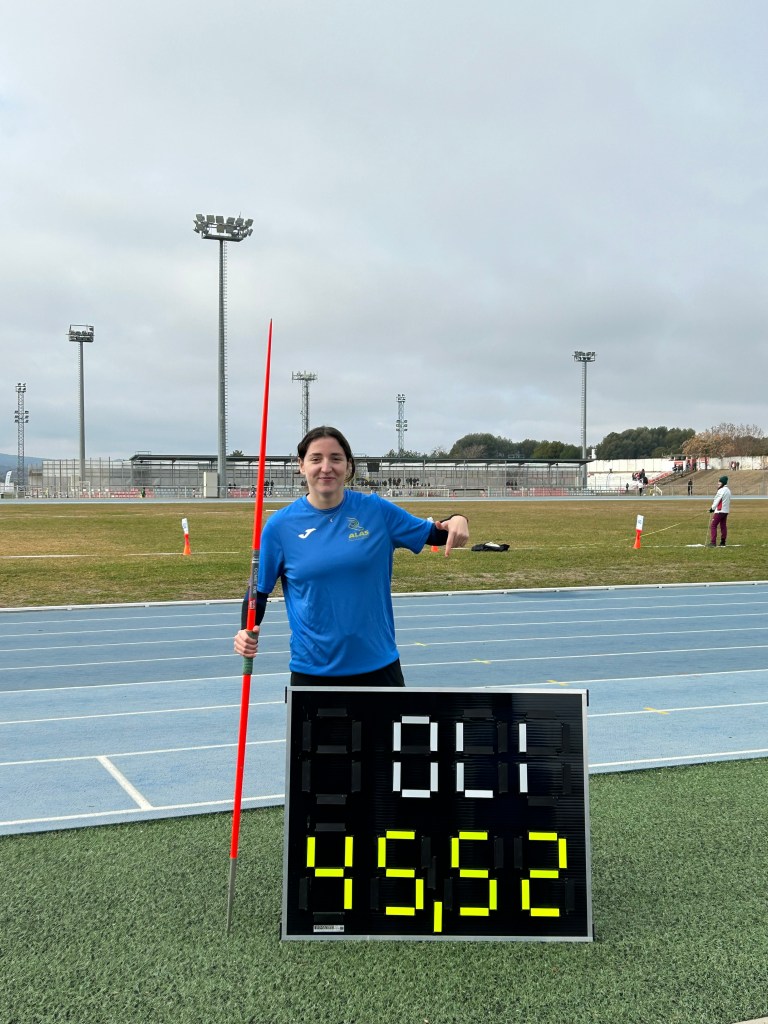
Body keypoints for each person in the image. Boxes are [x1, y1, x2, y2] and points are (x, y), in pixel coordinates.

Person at [233, 425, 469, 686]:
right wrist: (246, 630)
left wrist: (457, 519)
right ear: (301, 465)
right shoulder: (279, 527)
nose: (326, 467)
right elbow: (258, 592)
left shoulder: (375, 510)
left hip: (379, 668)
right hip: (313, 673)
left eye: (335, 458)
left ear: (348, 465)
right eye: (316, 459)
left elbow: (434, 534)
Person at [708, 475, 732, 547]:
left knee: (713, 525)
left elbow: (716, 500)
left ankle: (713, 542)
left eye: (719, 482)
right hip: (725, 511)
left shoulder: (721, 490)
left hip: (719, 511)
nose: (718, 484)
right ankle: (723, 542)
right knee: (723, 526)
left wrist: (712, 508)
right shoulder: (728, 490)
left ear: (723, 483)